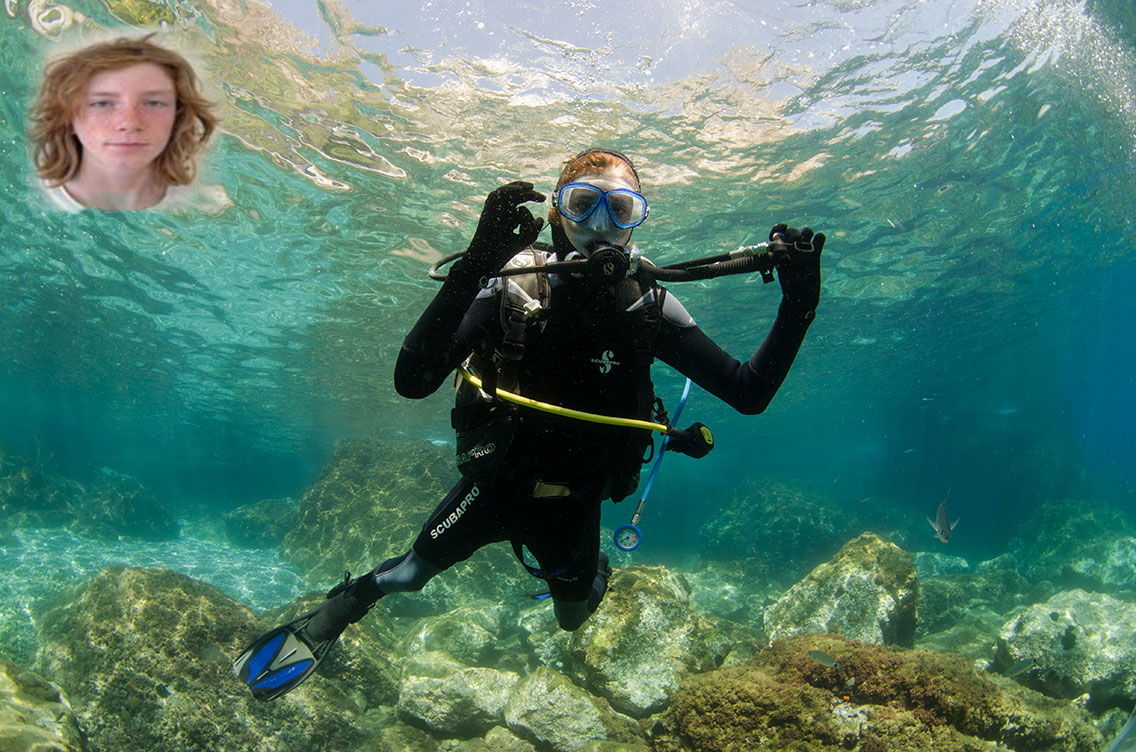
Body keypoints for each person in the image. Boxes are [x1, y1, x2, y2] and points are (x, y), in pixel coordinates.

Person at [234, 147, 824, 700]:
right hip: (496, 485)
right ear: (556, 215)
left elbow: (747, 394)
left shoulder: (647, 305)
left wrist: (799, 307)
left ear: (636, 223)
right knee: (410, 574)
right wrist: (475, 265)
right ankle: (338, 611)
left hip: (577, 502)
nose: (599, 224)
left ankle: (591, 570)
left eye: (619, 210)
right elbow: (413, 380)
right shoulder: (514, 288)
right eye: (581, 204)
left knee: (572, 619)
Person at [30, 34, 217, 211]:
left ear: (178, 115)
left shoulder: (205, 205)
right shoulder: (23, 194)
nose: (130, 123)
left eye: (153, 103)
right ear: (67, 116)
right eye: (102, 103)